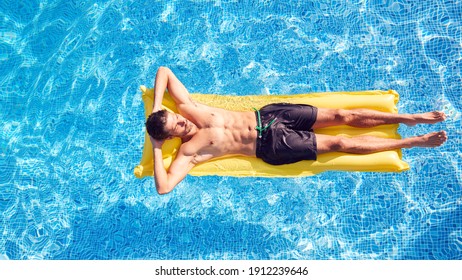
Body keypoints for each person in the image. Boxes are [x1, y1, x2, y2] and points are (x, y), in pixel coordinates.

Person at [146, 67, 447, 194]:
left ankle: (409, 117)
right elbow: (164, 187)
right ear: (172, 136)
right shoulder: (189, 151)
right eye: (178, 127)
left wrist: (159, 106)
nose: (184, 122)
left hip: (271, 115)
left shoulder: (187, 108)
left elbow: (163, 71)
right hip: (272, 144)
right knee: (340, 142)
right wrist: (157, 147)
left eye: (176, 118)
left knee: (342, 114)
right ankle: (412, 141)